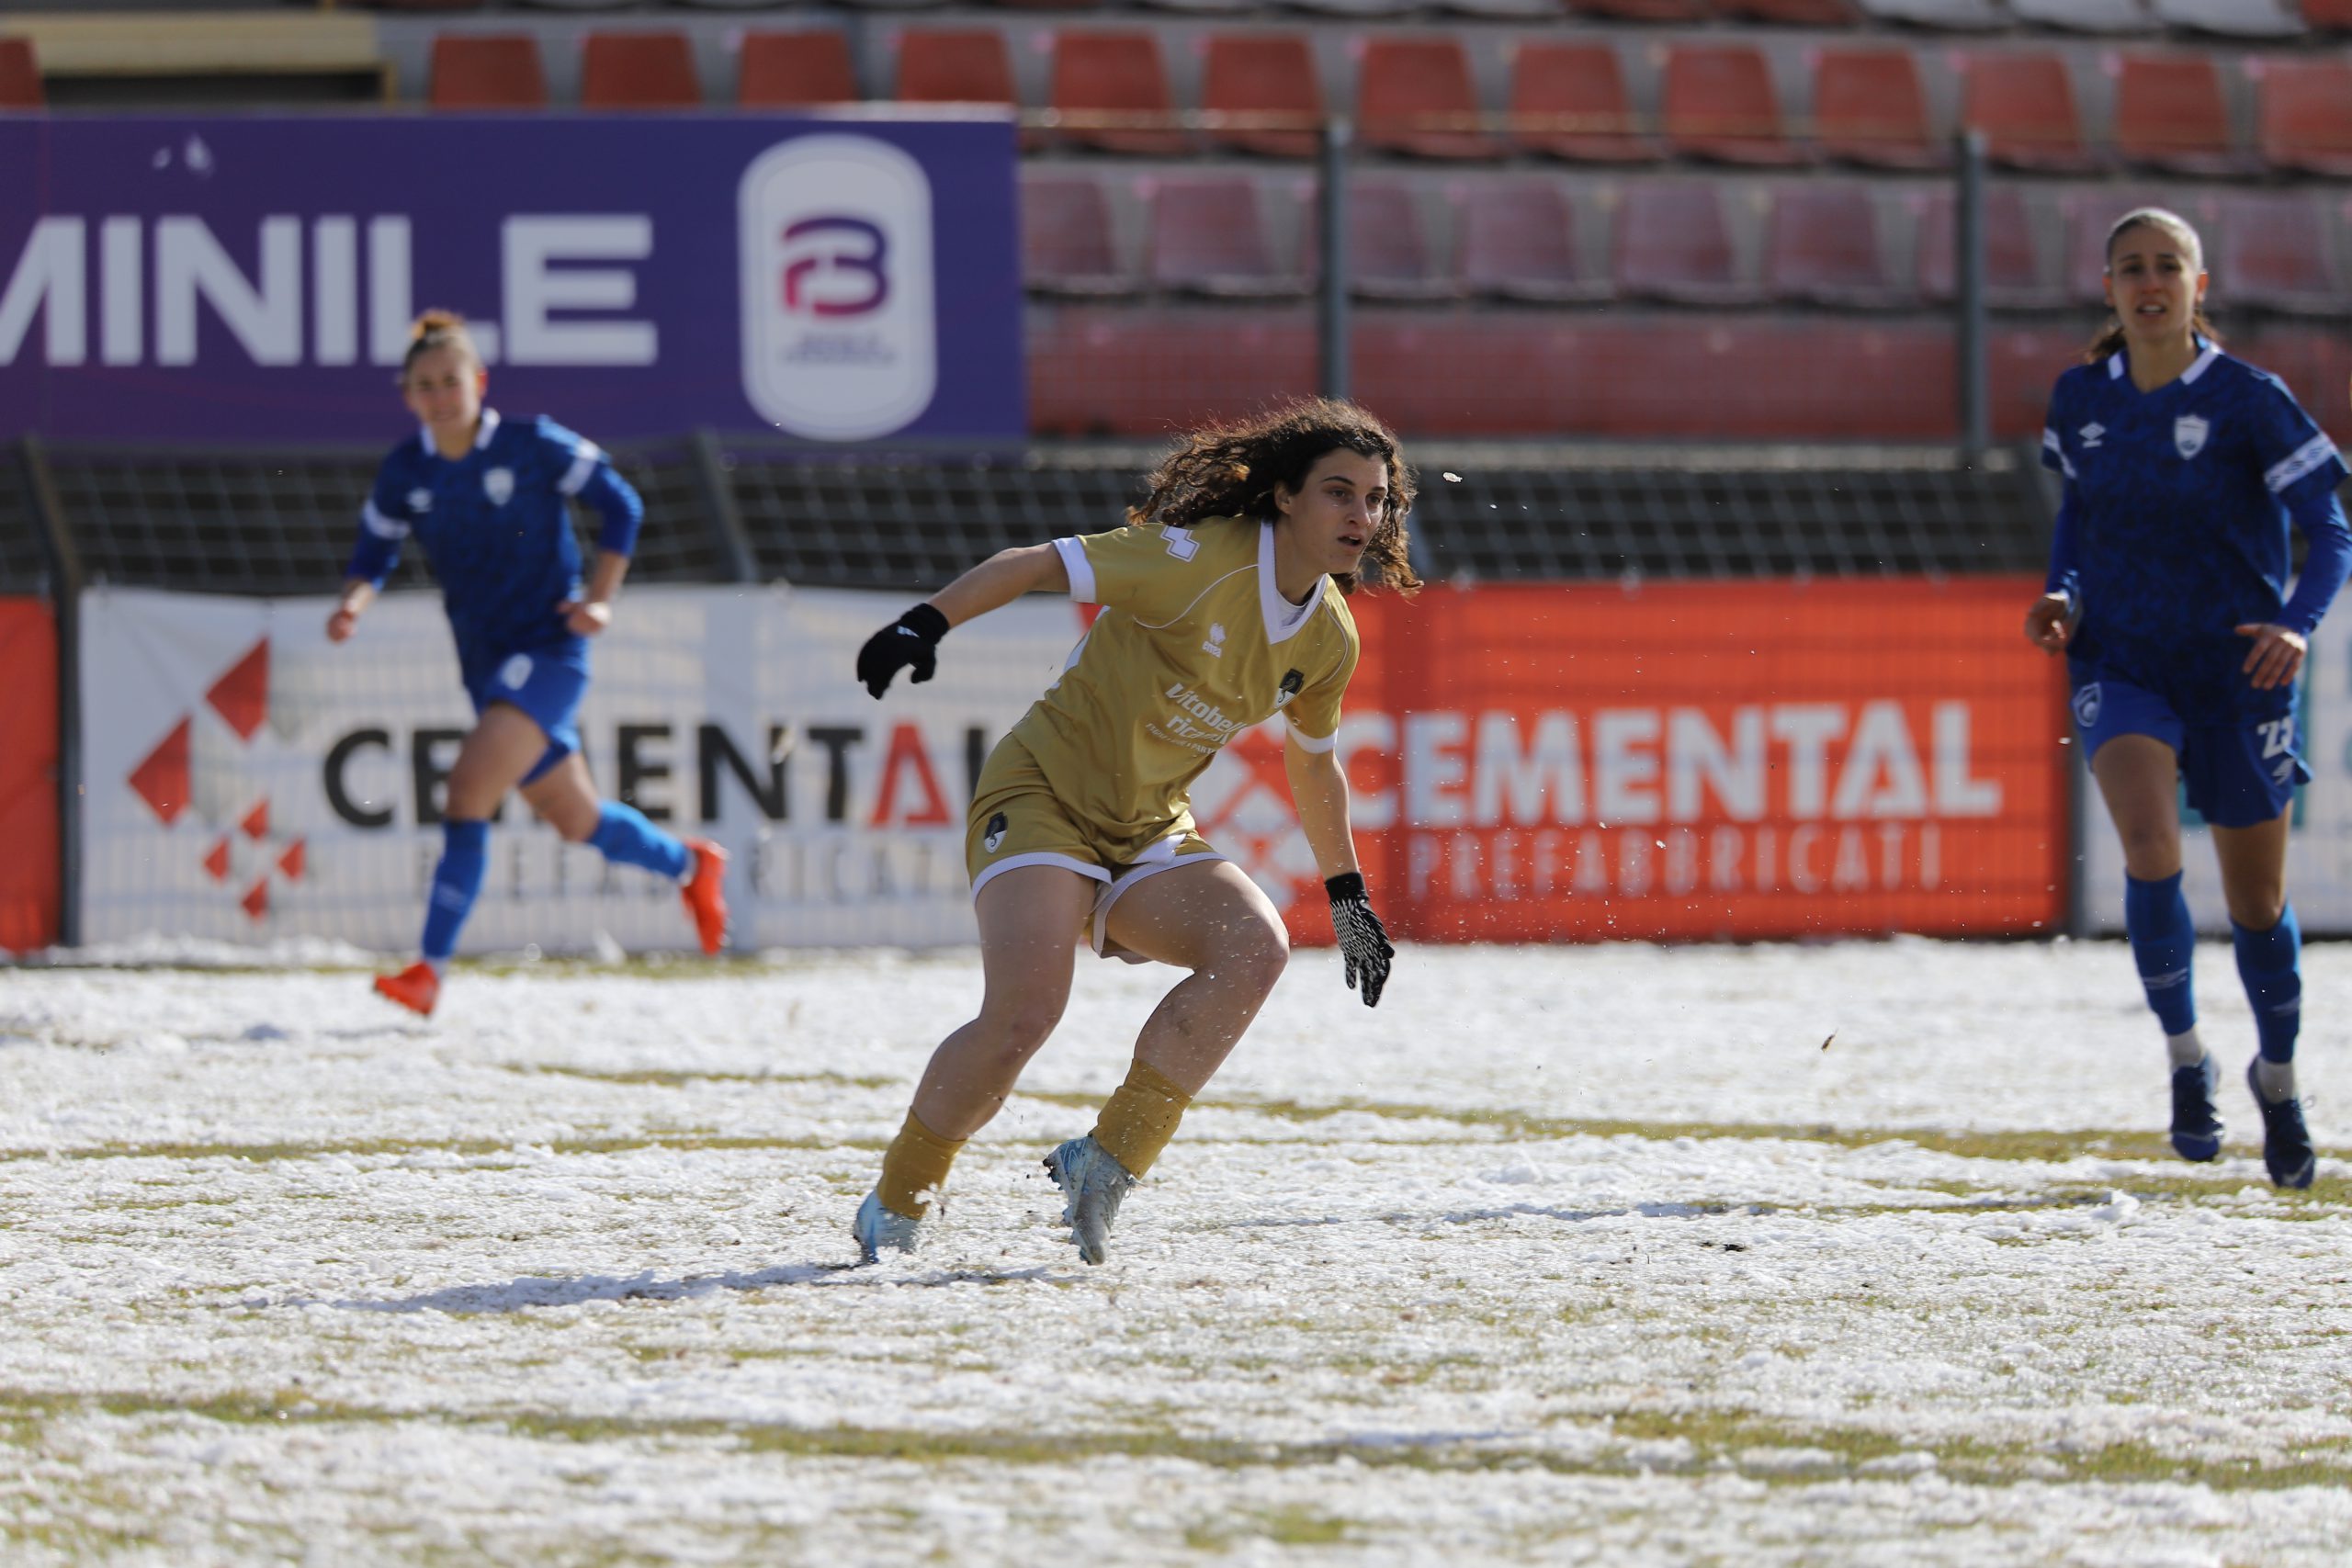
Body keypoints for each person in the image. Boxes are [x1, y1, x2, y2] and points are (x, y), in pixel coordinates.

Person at [850, 398, 1414, 1264]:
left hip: (1149, 825)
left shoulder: (1331, 637)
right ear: (1284, 497)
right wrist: (923, 622)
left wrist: (1348, 897)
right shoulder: (1196, 561)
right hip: (1044, 794)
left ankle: (1105, 1163)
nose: (1361, 517)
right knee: (1023, 1017)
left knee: (1255, 948)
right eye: (1339, 492)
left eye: (1376, 500)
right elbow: (1034, 563)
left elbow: (1314, 766)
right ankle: (898, 1200)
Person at [2027, 209, 2349, 1190]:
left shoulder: (2250, 400)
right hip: (2121, 660)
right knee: (2147, 843)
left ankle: (2277, 1078)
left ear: (2198, 285)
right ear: (2109, 289)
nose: (2149, 281)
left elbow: (2330, 531)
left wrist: (2296, 624)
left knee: (2256, 902)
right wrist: (2061, 595)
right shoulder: (2081, 397)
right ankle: (2184, 1059)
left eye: (2167, 265)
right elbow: (2077, 520)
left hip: (2237, 671)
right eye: (2130, 267)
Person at [329, 310, 728, 1017]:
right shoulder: (407, 470)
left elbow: (622, 505)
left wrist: (599, 599)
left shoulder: (532, 442)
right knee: (577, 820)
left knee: (466, 790)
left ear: (479, 382)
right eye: (425, 385)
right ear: (408, 395)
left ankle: (429, 970)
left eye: (451, 380)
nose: (440, 395)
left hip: (549, 652)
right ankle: (692, 863)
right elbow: (373, 554)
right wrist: (354, 603)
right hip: (484, 666)